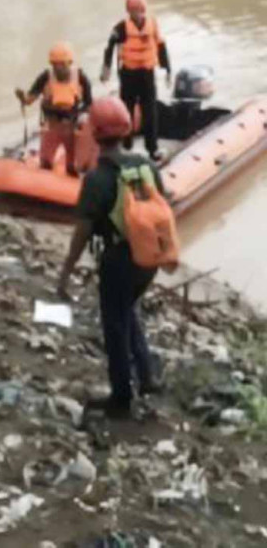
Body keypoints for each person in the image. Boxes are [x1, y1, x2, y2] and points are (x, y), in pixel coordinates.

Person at [58, 96, 166, 418]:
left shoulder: (97, 180)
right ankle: (147, 376)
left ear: (94, 133)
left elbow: (82, 234)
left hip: (120, 260)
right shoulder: (147, 166)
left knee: (114, 326)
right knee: (128, 310)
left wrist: (65, 273)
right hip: (150, 256)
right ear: (126, 129)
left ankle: (122, 397)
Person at [100, 0, 171, 161]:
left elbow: (160, 45)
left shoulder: (152, 24)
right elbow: (109, 46)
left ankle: (152, 148)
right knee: (126, 111)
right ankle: (126, 146)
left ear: (144, 9)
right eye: (133, 11)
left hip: (147, 74)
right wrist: (106, 69)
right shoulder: (121, 28)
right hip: (128, 75)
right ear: (128, 11)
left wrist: (167, 68)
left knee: (150, 112)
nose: (136, 14)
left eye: (139, 10)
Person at [15, 42, 92, 176]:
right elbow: (30, 98)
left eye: (62, 64)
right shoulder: (45, 77)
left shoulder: (81, 78)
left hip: (72, 126)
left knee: (72, 166)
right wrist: (23, 98)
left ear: (69, 63)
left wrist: (82, 117)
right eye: (55, 64)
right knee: (45, 162)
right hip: (51, 125)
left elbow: (89, 103)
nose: (58, 68)